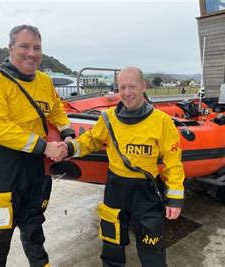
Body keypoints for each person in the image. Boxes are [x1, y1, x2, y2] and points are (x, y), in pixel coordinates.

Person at [62, 66, 185, 266]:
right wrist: (67, 148)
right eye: (122, 88)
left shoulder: (162, 122)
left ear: (143, 86)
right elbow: (90, 141)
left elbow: (173, 163)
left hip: (146, 193)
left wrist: (175, 200)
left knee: (152, 248)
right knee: (112, 245)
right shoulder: (108, 119)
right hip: (116, 190)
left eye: (132, 87)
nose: (126, 93)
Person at [0, 24, 74, 267]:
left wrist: (67, 133)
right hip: (2, 169)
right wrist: (45, 147)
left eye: (37, 48)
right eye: (25, 46)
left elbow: (57, 111)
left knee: (34, 228)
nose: (32, 53)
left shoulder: (44, 81)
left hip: (33, 167)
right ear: (10, 48)